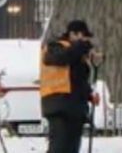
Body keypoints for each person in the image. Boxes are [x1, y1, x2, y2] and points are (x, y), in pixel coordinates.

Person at [40, 19, 102, 153]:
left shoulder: (78, 54)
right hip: (58, 104)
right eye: (83, 36)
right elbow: (60, 58)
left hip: (75, 108)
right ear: (73, 34)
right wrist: (81, 47)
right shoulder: (55, 47)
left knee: (72, 148)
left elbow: (78, 80)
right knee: (59, 147)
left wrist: (89, 95)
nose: (84, 40)